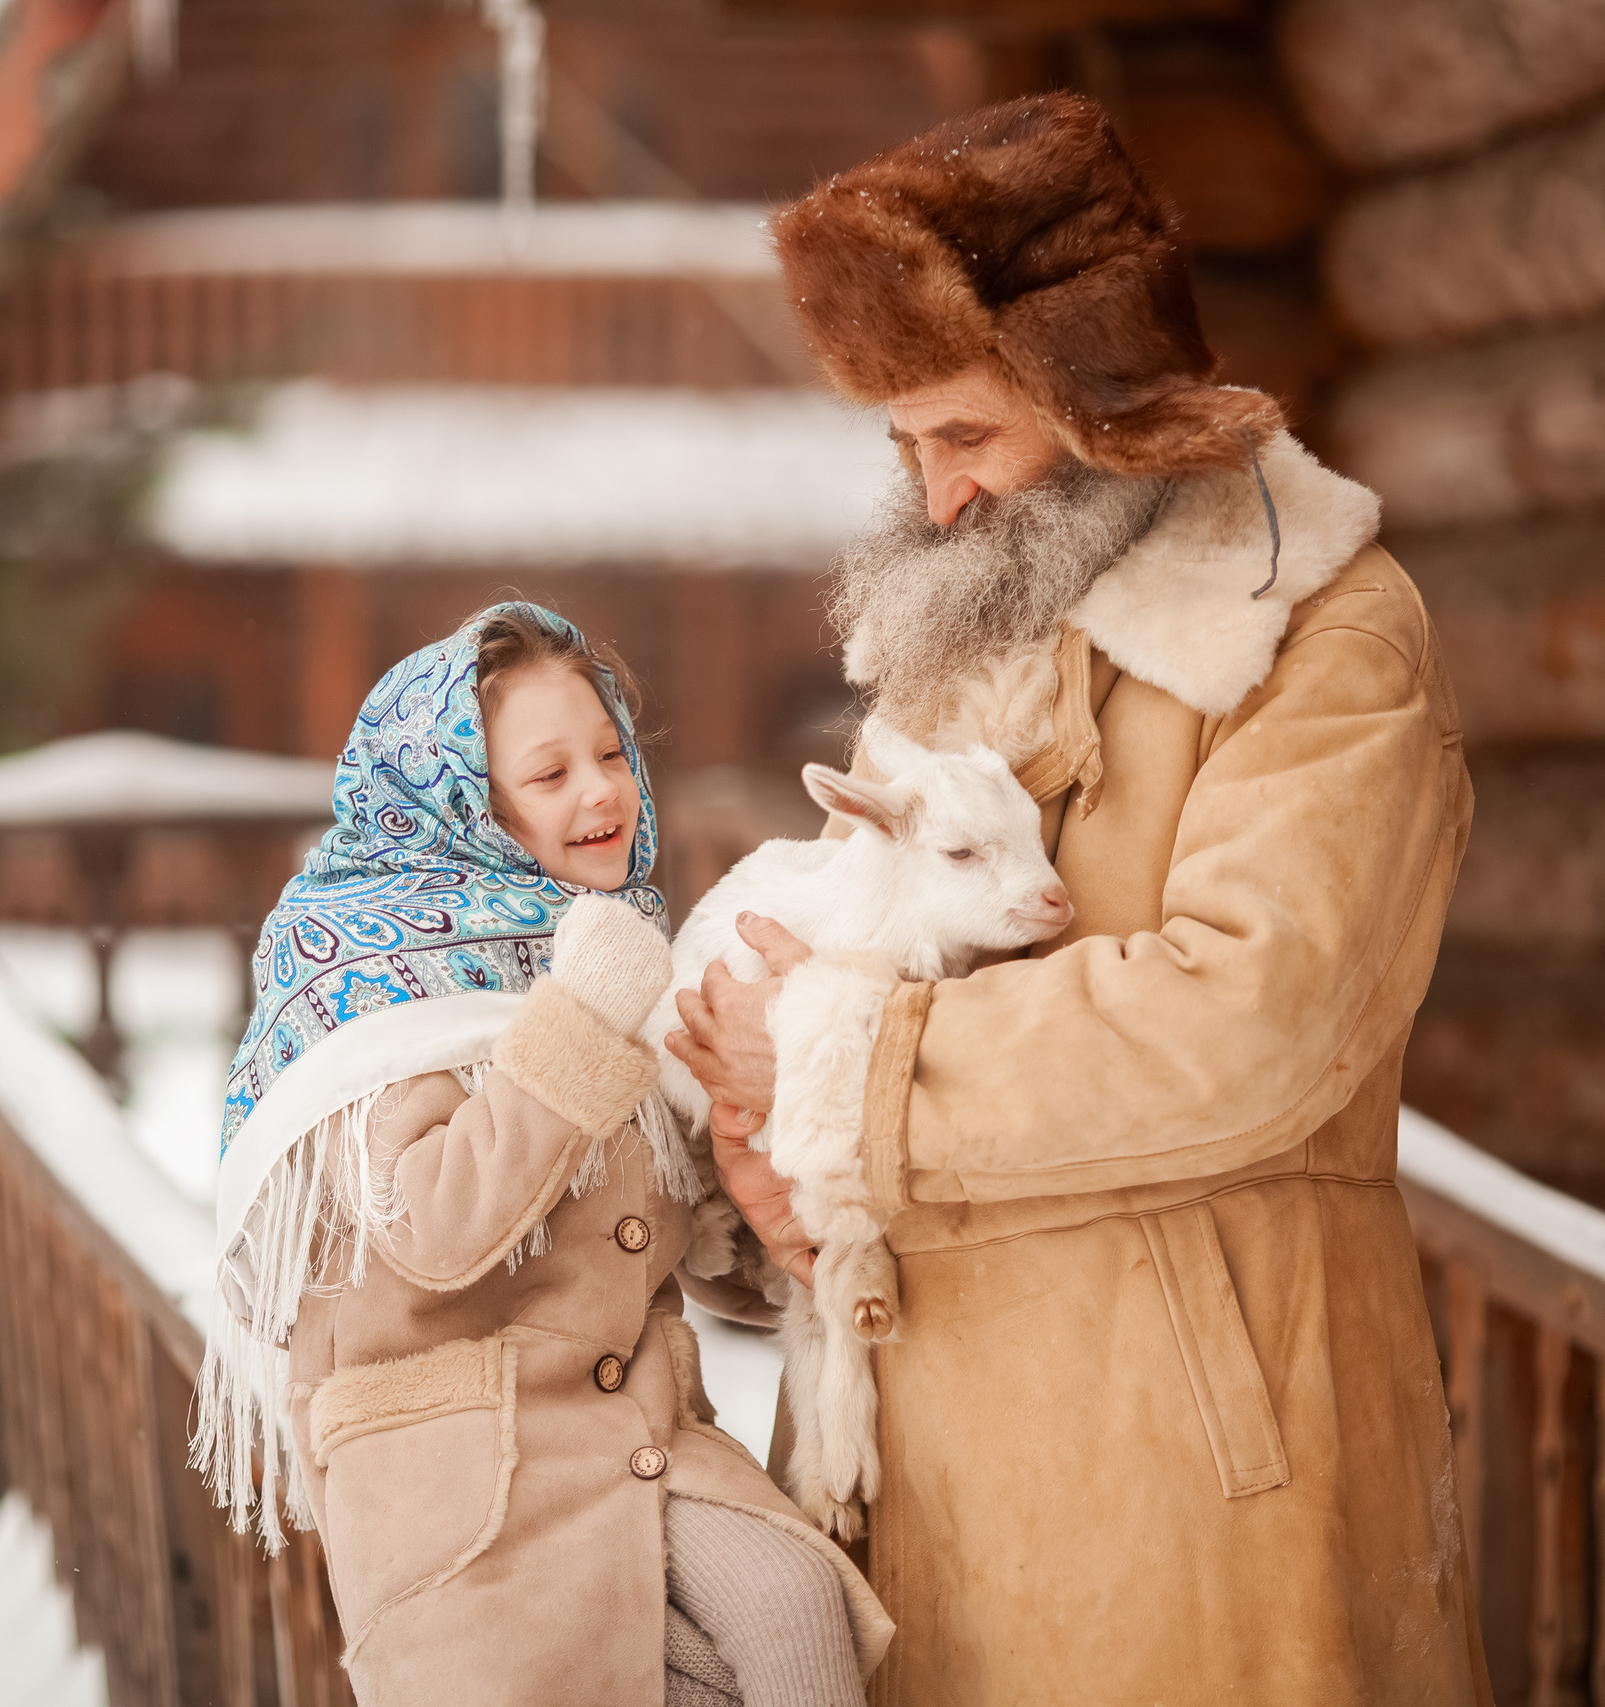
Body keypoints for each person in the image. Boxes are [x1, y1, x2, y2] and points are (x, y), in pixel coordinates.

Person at [664, 96, 1496, 1705]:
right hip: (922, 1480)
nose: (936, 496)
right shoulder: (966, 633)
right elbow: (865, 959)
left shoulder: (1329, 638)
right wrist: (779, 1191)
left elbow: (1246, 1019)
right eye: (904, 444)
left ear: (1104, 401)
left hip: (1188, 1489)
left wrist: (833, 1071)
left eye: (965, 434)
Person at [194, 602, 892, 1706]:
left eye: (610, 753)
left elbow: (643, 1244)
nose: (602, 792)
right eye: (551, 773)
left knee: (801, 1616)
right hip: (467, 1475)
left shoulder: (587, 946)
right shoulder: (368, 982)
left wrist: (759, 1223)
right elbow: (434, 1232)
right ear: (463, 806)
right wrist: (578, 1015)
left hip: (632, 1428)